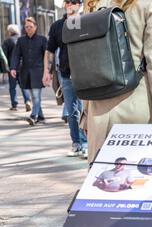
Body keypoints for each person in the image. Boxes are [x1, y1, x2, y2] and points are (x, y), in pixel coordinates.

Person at [80, 0, 152, 164]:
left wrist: (86, 114)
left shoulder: (94, 3)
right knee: (140, 182)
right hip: (138, 109)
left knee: (101, 183)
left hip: (98, 111)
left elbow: (88, 63)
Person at [43, 0, 88, 158]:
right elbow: (49, 50)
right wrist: (46, 72)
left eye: (74, 1)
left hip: (86, 73)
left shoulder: (86, 21)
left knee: (86, 110)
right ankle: (77, 144)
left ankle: (88, 143)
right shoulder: (57, 26)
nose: (70, 4)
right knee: (72, 112)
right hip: (66, 74)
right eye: (67, 1)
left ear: (79, 4)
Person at [10, 17, 47, 126]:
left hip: (38, 72)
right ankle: (40, 116)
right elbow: (16, 55)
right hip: (26, 73)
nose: (29, 29)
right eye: (26, 27)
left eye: (31, 27)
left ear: (35, 27)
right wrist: (13, 67)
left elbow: (47, 55)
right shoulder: (21, 40)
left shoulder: (42, 39)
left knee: (36, 96)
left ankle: (33, 116)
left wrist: (47, 71)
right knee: (34, 96)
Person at [2, 24, 31, 112]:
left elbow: (4, 56)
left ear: (10, 32)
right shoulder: (23, 40)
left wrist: (4, 69)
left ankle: (14, 105)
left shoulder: (7, 41)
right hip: (23, 66)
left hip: (12, 67)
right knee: (23, 86)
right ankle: (27, 101)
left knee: (12, 87)